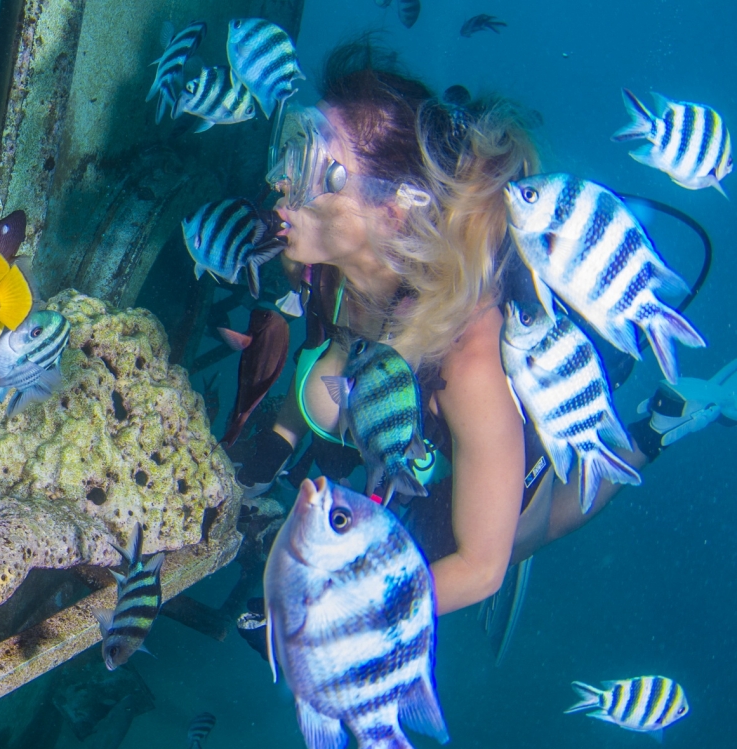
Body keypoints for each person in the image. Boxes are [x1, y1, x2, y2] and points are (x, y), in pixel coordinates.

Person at [236, 43, 702, 617]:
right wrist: (277, 444)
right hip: (407, 430)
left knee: (513, 530)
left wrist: (343, 617)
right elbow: (324, 350)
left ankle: (655, 431)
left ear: (394, 210)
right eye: (292, 146)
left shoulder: (469, 362)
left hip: (511, 442)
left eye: (309, 164)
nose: (280, 180)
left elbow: (482, 570)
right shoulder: (315, 263)